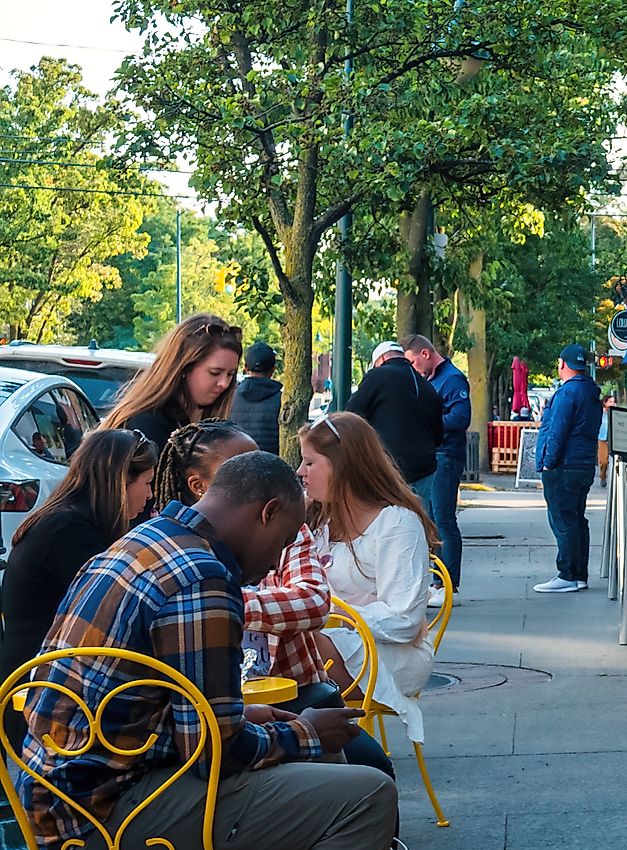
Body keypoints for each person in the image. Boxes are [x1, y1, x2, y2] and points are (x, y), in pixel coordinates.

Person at [9, 450, 407, 850]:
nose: (276, 561)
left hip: (69, 805)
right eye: (281, 539)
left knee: (332, 764)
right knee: (365, 794)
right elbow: (212, 752)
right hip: (113, 827)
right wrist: (302, 730)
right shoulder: (201, 577)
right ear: (266, 511)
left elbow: (164, 712)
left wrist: (254, 716)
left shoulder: (142, 544)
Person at [155, 422, 393, 785]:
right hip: (161, 776)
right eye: (237, 468)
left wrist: (233, 606)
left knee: (371, 769)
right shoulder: (195, 572)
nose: (254, 475)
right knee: (360, 789)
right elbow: (213, 747)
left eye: (257, 462)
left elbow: (314, 599)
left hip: (289, 694)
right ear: (201, 487)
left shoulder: (281, 529)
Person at [297, 414, 442, 755]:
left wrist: (324, 615)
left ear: (343, 466)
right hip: (332, 641)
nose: (301, 472)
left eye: (309, 462)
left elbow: (404, 620)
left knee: (299, 643)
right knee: (283, 641)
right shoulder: (317, 520)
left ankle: (298, 746)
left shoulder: (397, 523)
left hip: (394, 653)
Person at [0, 427, 154, 742]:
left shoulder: (71, 520)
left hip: (51, 683)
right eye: (147, 483)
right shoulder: (69, 530)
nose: (150, 495)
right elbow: (116, 611)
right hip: (39, 694)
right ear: (119, 482)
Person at [102, 312, 243, 452]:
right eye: (215, 373)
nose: (224, 383)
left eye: (231, 374)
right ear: (183, 367)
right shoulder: (148, 425)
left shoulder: (195, 422)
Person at [532, 344, 601, 594]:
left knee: (562, 520)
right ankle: (579, 573)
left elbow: (557, 430)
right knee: (577, 519)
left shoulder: (567, 393)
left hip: (563, 465)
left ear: (562, 363)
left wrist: (548, 462)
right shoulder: (591, 392)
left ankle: (568, 574)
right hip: (582, 464)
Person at [406, 335, 471, 595]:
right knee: (434, 519)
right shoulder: (434, 379)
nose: (412, 368)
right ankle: (439, 581)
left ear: (425, 353)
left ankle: (447, 584)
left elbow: (461, 417)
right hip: (437, 455)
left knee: (443, 519)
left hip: (446, 455)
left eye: (412, 361)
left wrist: (428, 422)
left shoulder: (452, 379)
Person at [350, 339, 443, 517]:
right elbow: (438, 435)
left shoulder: (376, 377)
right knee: (421, 523)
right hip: (424, 469)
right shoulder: (427, 387)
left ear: (381, 359)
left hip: (387, 469)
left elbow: (351, 415)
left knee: (386, 524)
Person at [228, 341, 286, 459]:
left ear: (246, 367)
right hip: (272, 467)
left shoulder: (229, 398)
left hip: (237, 467)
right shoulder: (283, 401)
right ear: (273, 369)